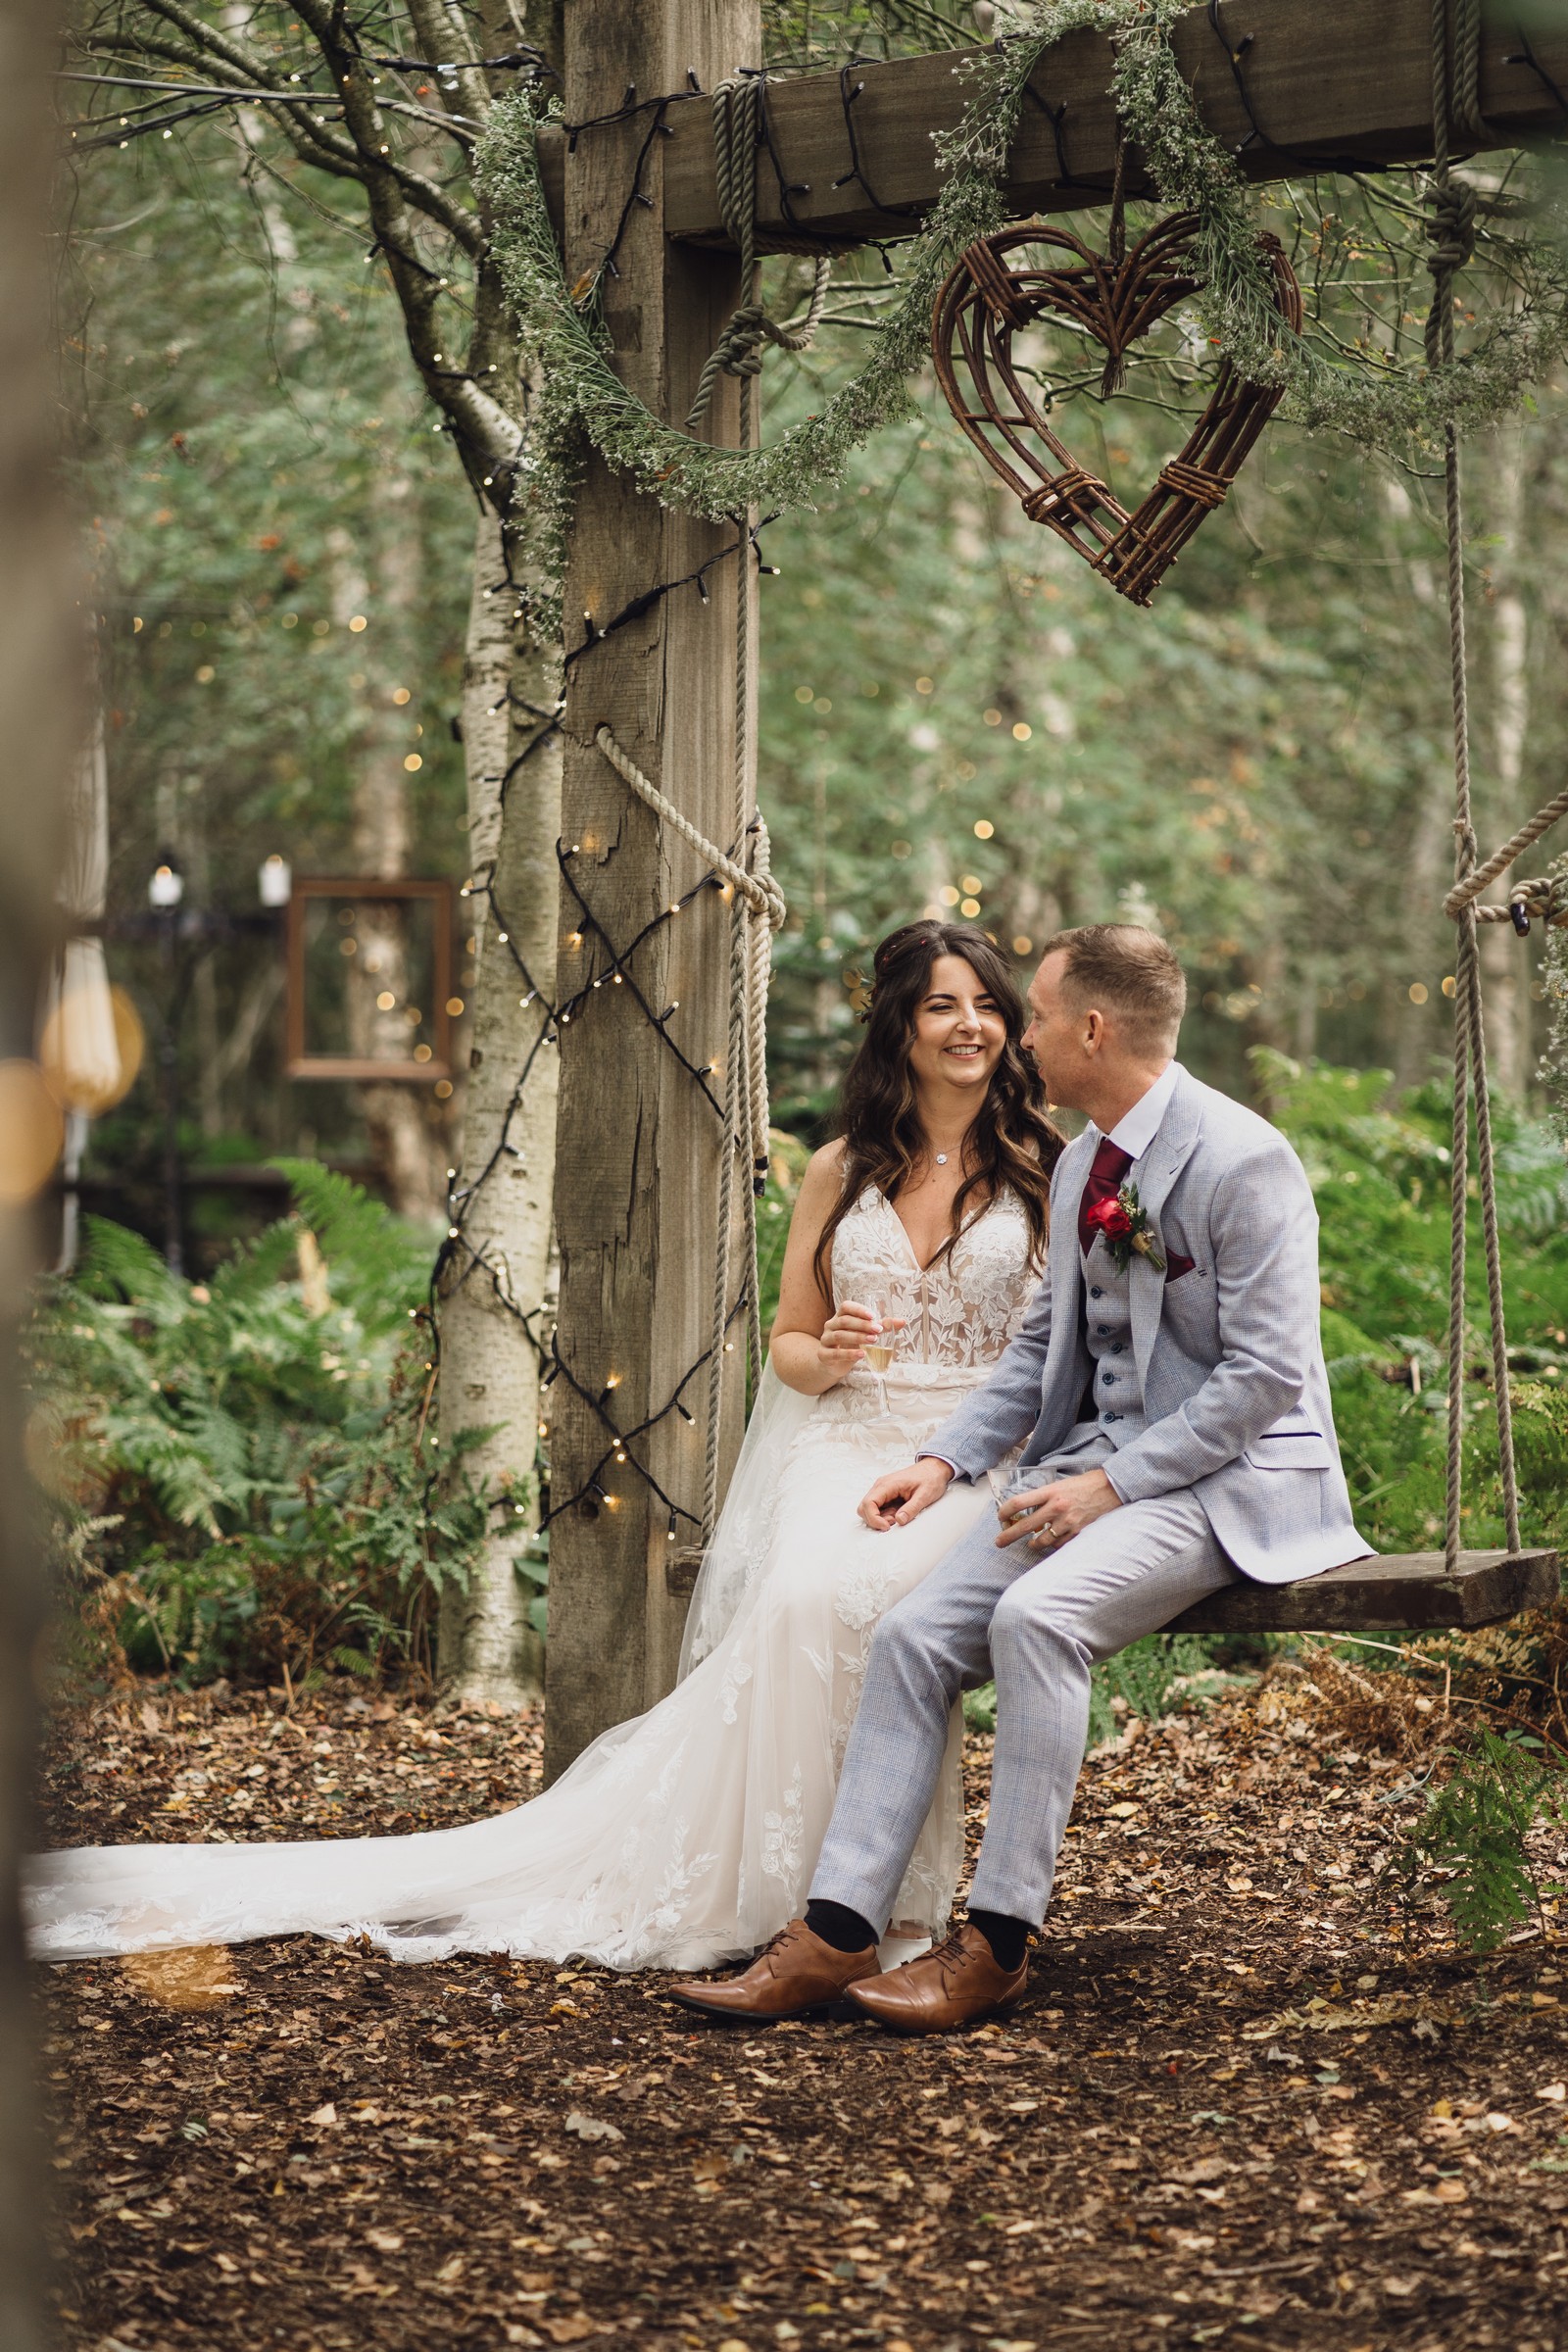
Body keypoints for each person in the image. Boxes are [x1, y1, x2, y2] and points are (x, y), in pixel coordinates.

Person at [26, 921, 1062, 1972]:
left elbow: (1061, 1356)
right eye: (941, 1004)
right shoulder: (841, 1169)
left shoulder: (1046, 1170)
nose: (968, 1026)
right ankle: (804, 1894)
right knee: (800, 1597)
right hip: (845, 1439)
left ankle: (895, 1908)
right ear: (900, 1026)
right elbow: (789, 1347)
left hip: (977, 1456)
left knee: (877, 1605)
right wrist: (828, 1354)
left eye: (986, 1005)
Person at [673, 923, 1369, 2030]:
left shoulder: (1244, 1158)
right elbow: (1042, 1347)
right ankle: (838, 1931)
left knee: (1037, 1621)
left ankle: (996, 1945)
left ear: (1091, 1029)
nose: (1018, 1036)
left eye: (1033, 1015)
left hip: (1226, 1482)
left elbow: (1265, 1377)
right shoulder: (1085, 1161)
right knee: (912, 1635)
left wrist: (1112, 1484)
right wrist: (941, 1459)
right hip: (1094, 1468)